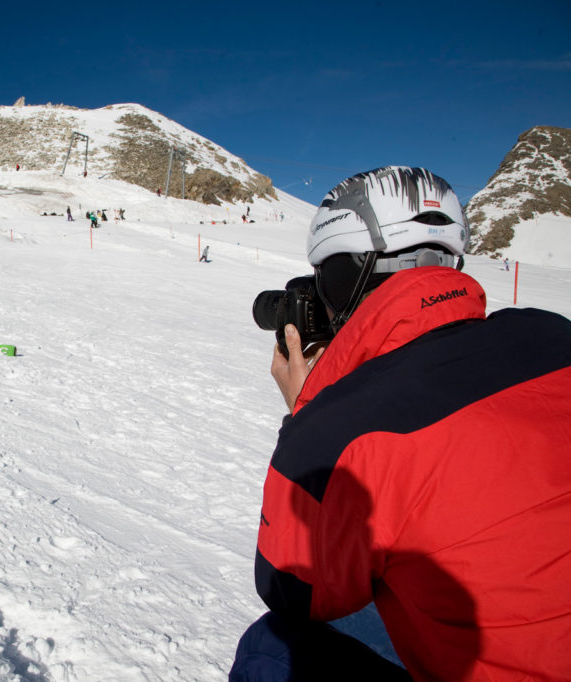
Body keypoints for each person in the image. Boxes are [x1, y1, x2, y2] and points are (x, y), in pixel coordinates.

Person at [231, 166, 571, 681]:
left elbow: (290, 585)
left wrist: (309, 411)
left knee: (271, 649)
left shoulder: (343, 430)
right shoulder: (551, 331)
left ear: (344, 278)